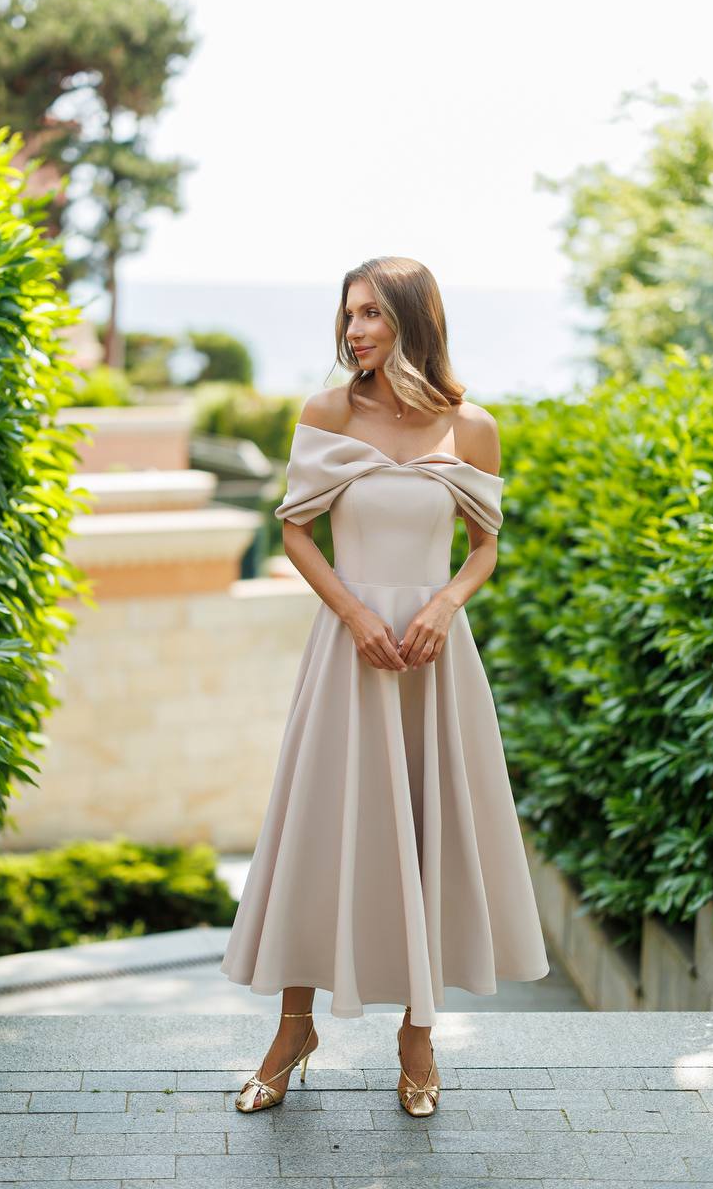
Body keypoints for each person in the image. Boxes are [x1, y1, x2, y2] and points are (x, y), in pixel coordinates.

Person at [220, 255, 549, 1116]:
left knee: (427, 831)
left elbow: (483, 546)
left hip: (434, 663)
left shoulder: (470, 427)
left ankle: (417, 1036)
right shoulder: (326, 413)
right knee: (321, 831)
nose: (353, 330)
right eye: (348, 313)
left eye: (370, 313)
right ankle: (294, 1029)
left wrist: (445, 602)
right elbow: (294, 532)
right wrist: (355, 615)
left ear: (413, 319)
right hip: (349, 652)